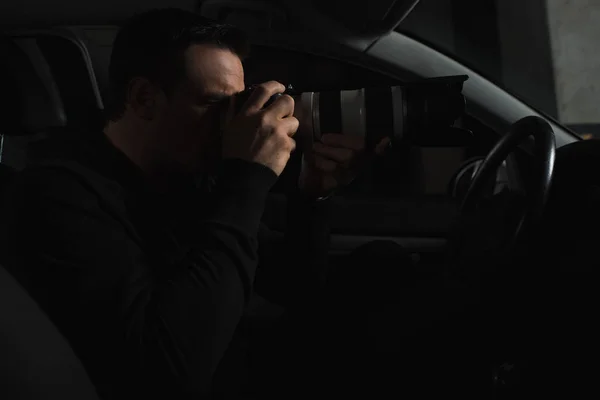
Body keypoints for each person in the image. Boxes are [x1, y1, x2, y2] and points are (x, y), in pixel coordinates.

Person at [0, 8, 391, 399]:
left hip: (246, 370)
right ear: (144, 98)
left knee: (380, 267)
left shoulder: (190, 179)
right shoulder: (58, 196)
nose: (230, 125)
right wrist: (249, 177)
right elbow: (167, 371)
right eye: (214, 105)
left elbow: (292, 287)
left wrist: (312, 195)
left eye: (236, 107)